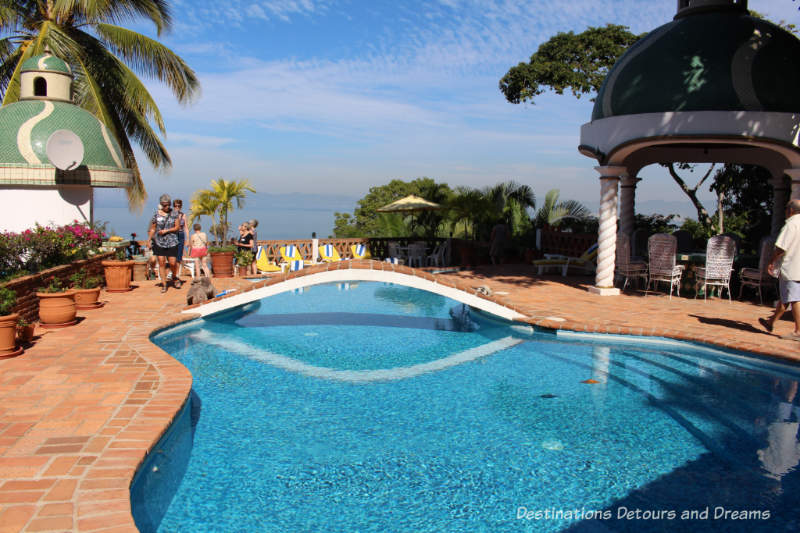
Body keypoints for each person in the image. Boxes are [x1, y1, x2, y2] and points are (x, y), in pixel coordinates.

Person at [761, 199, 800, 339]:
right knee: (786, 297)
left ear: (790, 211)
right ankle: (770, 322)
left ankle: (798, 331)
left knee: (794, 298)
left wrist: (771, 262)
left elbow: (781, 248)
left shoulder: (791, 225)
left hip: (793, 268)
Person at [148, 194, 182, 293]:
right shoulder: (156, 214)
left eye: (167, 205)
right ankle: (164, 284)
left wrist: (166, 231)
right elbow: (153, 228)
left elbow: (177, 227)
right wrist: (149, 240)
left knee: (172, 262)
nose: (166, 207)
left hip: (172, 241)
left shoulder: (174, 213)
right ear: (161, 205)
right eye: (164, 205)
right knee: (161, 262)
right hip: (159, 241)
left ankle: (174, 277)